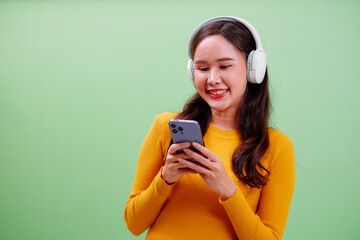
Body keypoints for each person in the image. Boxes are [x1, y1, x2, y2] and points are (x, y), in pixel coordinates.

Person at [124, 16, 295, 240]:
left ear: (254, 69)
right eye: (202, 68)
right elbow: (134, 224)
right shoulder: (165, 128)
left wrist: (227, 190)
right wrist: (165, 178)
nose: (212, 79)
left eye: (224, 66)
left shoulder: (275, 147)